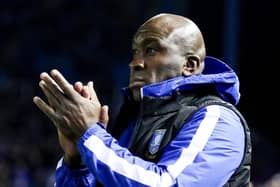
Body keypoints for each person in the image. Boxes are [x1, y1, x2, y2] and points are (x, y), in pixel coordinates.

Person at [33, 13, 252, 187]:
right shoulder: (132, 121)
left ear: (190, 65)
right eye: (135, 52)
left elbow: (166, 184)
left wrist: (90, 134)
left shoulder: (216, 117)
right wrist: (77, 163)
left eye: (151, 50)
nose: (135, 63)